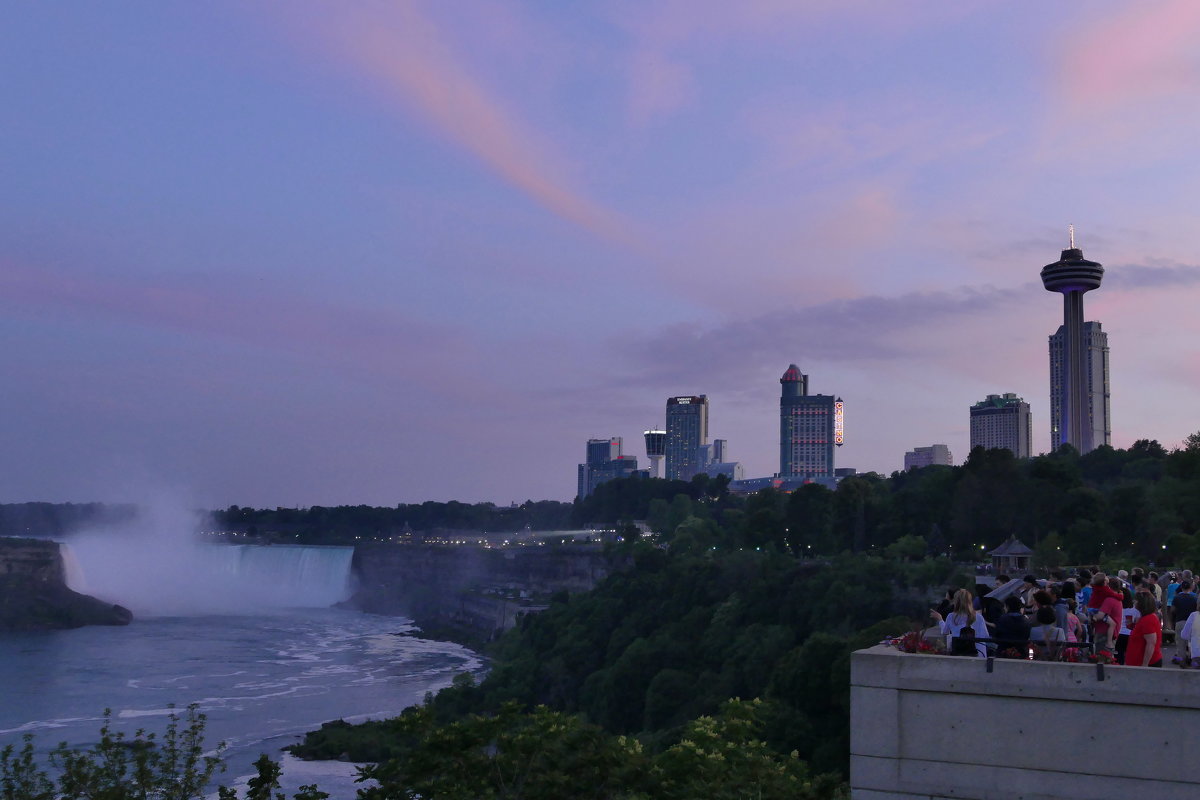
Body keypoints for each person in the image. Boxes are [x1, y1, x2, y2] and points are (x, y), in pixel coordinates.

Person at [930, 589, 990, 657]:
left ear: (956, 601)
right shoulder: (979, 617)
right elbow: (985, 635)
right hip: (979, 653)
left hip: (959, 653)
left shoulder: (951, 616)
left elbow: (945, 632)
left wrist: (940, 619)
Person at [1125, 592, 1163, 667]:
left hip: (1145, 663)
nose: (1134, 602)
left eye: (1136, 600)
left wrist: (1145, 665)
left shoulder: (1148, 619)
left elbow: (1151, 643)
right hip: (1138, 662)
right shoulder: (1145, 618)